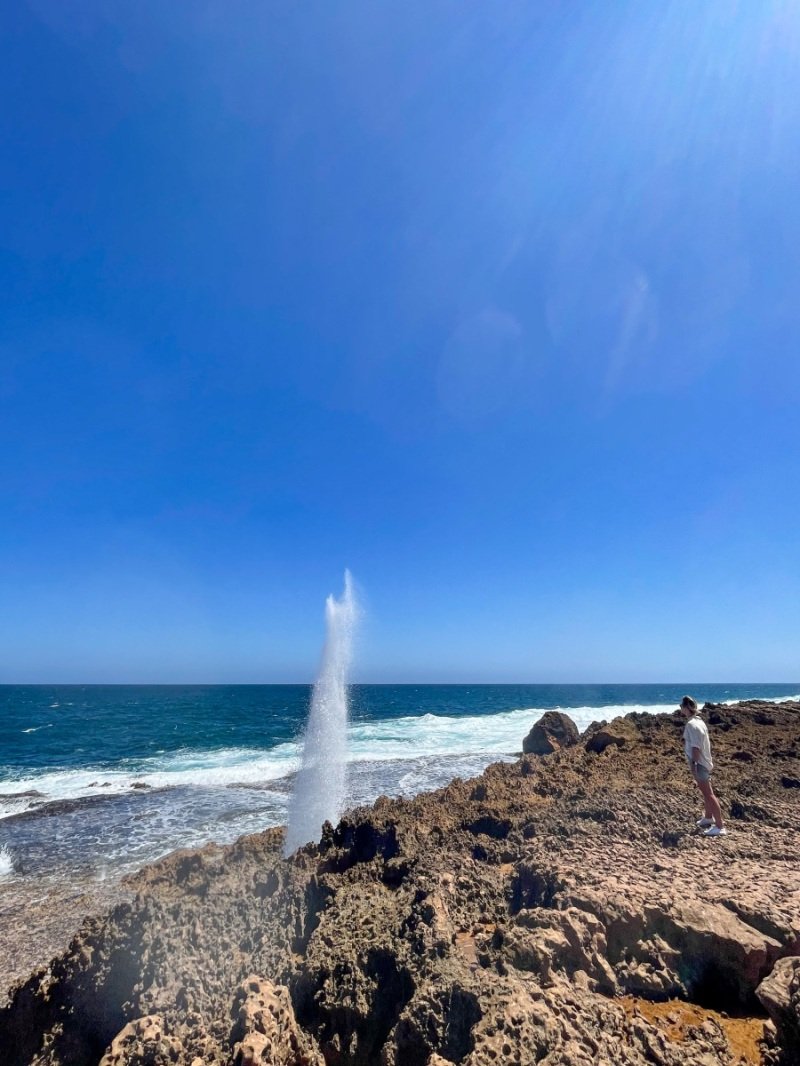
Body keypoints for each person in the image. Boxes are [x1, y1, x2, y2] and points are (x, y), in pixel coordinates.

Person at [680, 695, 726, 836]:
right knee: (706, 792)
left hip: (699, 763)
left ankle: (719, 826)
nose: (680, 709)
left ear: (687, 707)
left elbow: (695, 747)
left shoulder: (692, 725)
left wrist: (693, 764)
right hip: (703, 762)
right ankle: (708, 818)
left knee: (709, 794)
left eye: (681, 706)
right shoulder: (699, 722)